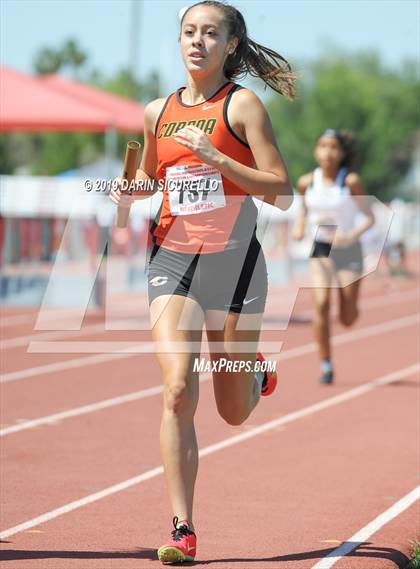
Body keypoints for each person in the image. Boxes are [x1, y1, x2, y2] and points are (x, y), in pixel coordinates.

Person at [110, 1, 295, 563]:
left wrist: (219, 157)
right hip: (173, 262)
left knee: (232, 411)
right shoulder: (156, 112)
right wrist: (129, 193)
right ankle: (182, 529)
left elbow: (280, 190)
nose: (197, 41)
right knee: (176, 389)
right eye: (189, 32)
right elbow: (148, 179)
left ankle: (254, 370)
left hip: (236, 265)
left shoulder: (242, 106)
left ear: (231, 44)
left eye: (211, 33)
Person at [293, 129, 374, 384]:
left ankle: (350, 306)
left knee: (347, 318)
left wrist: (350, 235)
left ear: (341, 153)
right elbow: (304, 209)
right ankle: (326, 364)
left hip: (348, 247)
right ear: (316, 151)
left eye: (333, 147)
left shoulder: (350, 181)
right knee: (321, 304)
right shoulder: (307, 181)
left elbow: (370, 217)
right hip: (321, 247)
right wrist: (299, 226)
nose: (328, 152)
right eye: (323, 146)